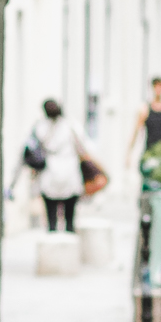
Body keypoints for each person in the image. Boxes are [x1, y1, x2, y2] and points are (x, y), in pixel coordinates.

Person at [31, 99, 96, 234]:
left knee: (51, 220)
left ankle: (53, 244)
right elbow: (86, 147)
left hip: (49, 176)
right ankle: (69, 245)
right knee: (70, 219)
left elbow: (28, 151)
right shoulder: (71, 126)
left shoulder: (39, 127)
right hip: (70, 175)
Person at [126, 77, 161, 164]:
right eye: (156, 86)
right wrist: (129, 154)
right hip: (149, 153)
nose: (158, 89)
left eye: (160, 86)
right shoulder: (144, 109)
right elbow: (135, 132)